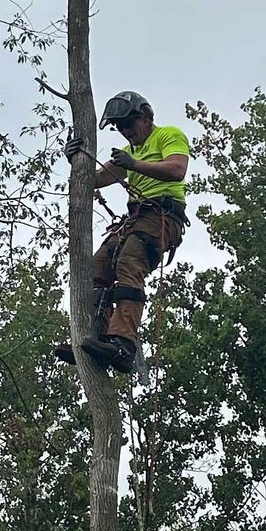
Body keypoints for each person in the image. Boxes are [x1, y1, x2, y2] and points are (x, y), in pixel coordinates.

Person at [56, 91, 191, 379]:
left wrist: (134, 165)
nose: (125, 132)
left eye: (128, 125)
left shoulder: (168, 136)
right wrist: (75, 160)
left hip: (162, 216)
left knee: (129, 262)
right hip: (135, 218)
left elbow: (177, 169)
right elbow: (93, 180)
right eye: (120, 128)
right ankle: (93, 337)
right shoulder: (128, 154)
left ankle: (123, 344)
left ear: (145, 118)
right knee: (97, 267)